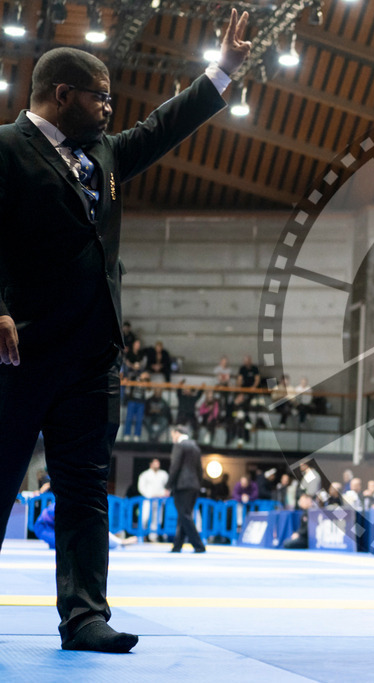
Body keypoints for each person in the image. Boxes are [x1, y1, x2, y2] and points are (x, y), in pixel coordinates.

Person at [0, 9, 249, 653]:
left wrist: (221, 73)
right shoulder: (4, 150)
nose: (111, 109)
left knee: (85, 490)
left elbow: (164, 126)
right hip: (15, 354)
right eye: (101, 97)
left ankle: (84, 616)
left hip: (92, 359)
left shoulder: (104, 154)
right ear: (63, 95)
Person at [167, 424, 206, 554]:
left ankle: (199, 545)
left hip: (182, 485)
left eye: (172, 434)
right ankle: (177, 546)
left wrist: (168, 485)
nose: (172, 437)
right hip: (194, 485)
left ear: (177, 433)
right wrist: (198, 483)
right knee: (184, 515)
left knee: (184, 515)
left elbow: (175, 467)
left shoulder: (179, 445)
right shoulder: (195, 446)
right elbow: (200, 469)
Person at [137, 458, 169, 542]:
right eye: (155, 463)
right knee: (145, 517)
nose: (157, 465)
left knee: (157, 519)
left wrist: (165, 493)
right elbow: (141, 487)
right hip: (148, 499)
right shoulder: (145, 474)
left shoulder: (163, 474)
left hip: (159, 499)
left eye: (158, 463)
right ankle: (141, 535)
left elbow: (167, 486)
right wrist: (149, 495)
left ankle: (153, 537)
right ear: (151, 464)